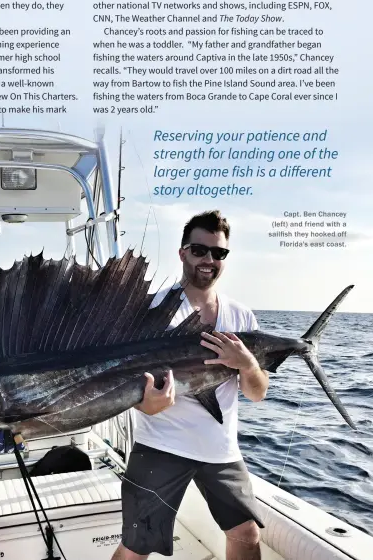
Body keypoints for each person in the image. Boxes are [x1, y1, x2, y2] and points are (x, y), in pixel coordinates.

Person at [112, 210, 268, 560]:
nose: (208, 260)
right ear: (182, 253)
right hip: (160, 445)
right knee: (136, 547)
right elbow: (120, 379)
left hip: (221, 450)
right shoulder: (153, 308)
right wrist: (142, 404)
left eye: (218, 253)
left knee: (246, 534)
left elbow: (257, 393)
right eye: (199, 250)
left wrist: (248, 364)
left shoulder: (242, 318)